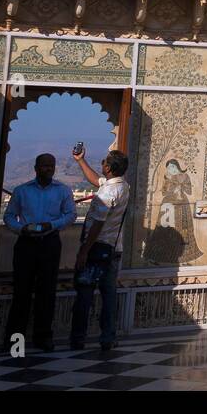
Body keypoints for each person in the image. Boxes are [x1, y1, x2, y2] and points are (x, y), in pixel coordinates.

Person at [1, 153, 75, 352]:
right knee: (21, 292)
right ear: (36, 168)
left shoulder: (62, 191)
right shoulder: (22, 191)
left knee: (47, 292)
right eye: (44, 166)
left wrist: (51, 224)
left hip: (49, 242)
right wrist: (21, 229)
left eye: (51, 166)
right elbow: (8, 217)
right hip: (26, 243)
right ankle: (15, 340)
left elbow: (70, 215)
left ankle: (43, 337)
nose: (48, 169)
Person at [69, 147, 130, 350]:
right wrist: (81, 161)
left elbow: (97, 224)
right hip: (113, 248)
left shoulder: (109, 192)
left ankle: (78, 338)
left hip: (97, 249)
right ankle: (108, 337)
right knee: (108, 295)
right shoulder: (122, 186)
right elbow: (97, 181)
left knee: (85, 294)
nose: (102, 165)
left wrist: (84, 251)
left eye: (104, 163)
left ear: (109, 168)